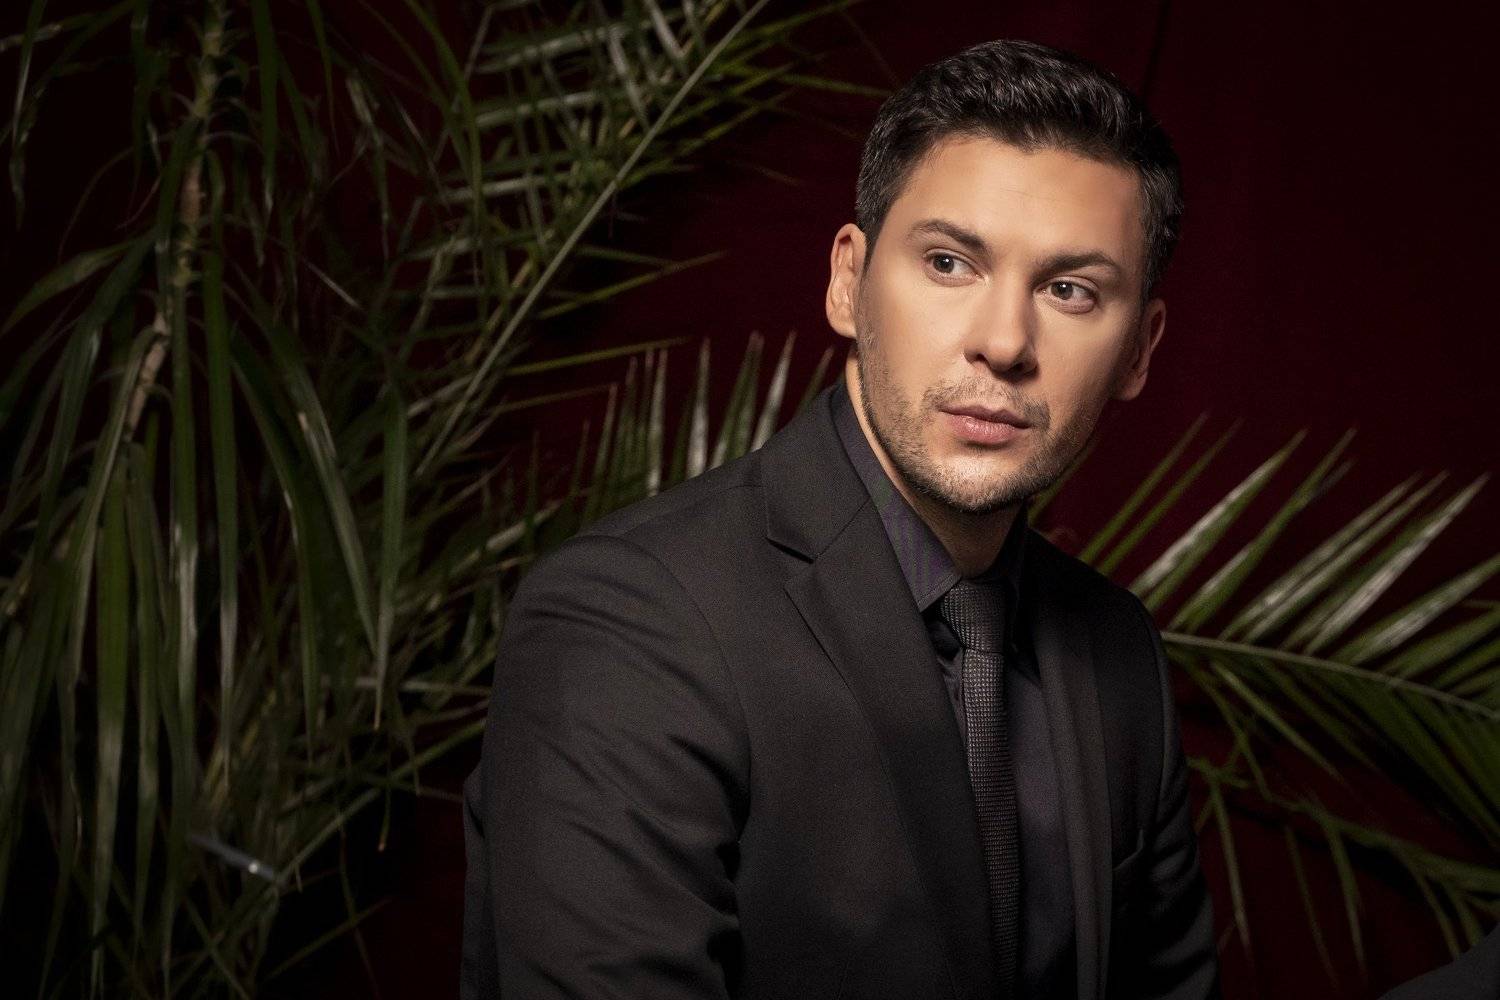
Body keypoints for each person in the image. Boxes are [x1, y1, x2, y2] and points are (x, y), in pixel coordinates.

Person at [461, 38, 1220, 1000]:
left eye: (1070, 290)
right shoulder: (633, 620)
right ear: (847, 283)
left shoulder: (1117, 652)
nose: (1003, 343)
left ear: (1140, 348)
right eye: (949, 263)